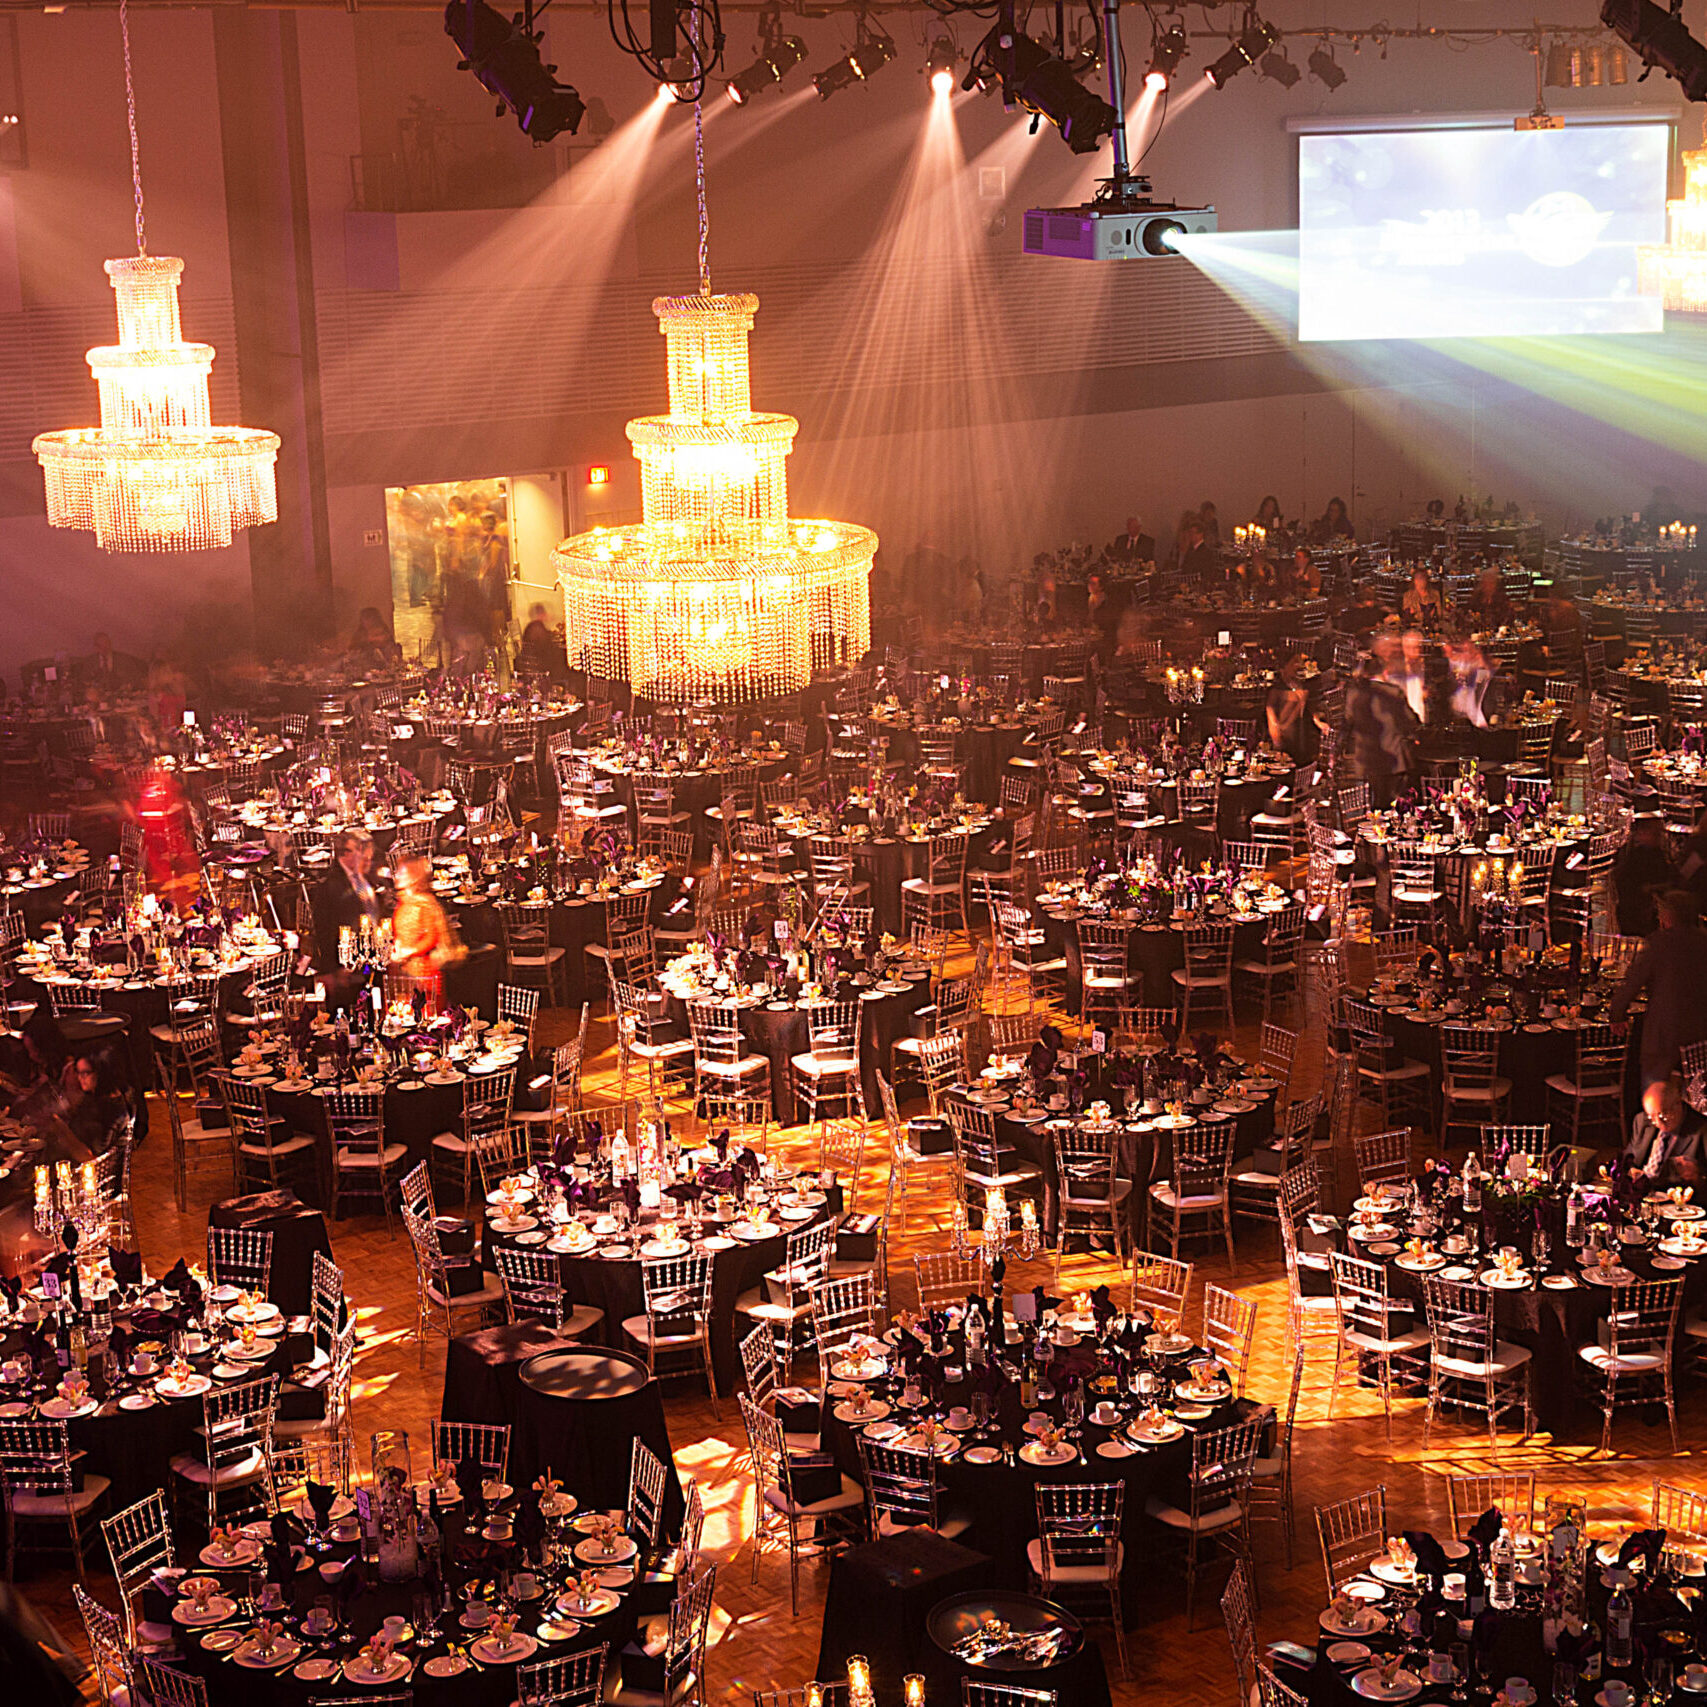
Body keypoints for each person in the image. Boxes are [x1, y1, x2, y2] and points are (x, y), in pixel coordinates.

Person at [1609, 889, 1707, 1088]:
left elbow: (1632, 983)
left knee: (1656, 1096)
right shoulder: (1703, 942)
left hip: (1663, 1035)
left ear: (1667, 917)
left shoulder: (1659, 944)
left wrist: (1616, 1014)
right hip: (1699, 1033)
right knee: (1695, 1097)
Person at [314, 831, 382, 995]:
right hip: (346, 968)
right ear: (345, 854)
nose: (368, 858)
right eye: (363, 852)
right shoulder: (329, 887)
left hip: (371, 961)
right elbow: (324, 930)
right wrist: (332, 969)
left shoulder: (366, 877)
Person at [391, 854, 459, 1011]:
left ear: (414, 877)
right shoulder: (404, 901)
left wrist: (410, 951)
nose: (397, 875)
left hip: (424, 972)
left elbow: (431, 937)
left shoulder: (425, 904)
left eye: (402, 872)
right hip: (403, 970)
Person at [1621, 1076, 1703, 1186]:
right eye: (1652, 1117)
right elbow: (1628, 1158)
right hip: (1640, 1192)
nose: (1659, 1123)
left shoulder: (1702, 1130)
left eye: (1663, 1114)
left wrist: (1697, 1178)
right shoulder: (1642, 1121)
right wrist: (1631, 1171)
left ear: (1678, 1103)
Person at [1612, 813, 1676, 938]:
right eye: (1657, 834)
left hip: (1636, 906)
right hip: (1640, 909)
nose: (1661, 837)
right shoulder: (1643, 857)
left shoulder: (1644, 854)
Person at [58, 1053, 129, 1153]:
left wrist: (61, 1130)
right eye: (78, 1072)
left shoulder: (110, 1108)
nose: (80, 1078)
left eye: (85, 1073)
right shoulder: (93, 1097)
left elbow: (90, 1156)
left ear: (101, 1073)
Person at [1265, 654, 1313, 763]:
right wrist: (1277, 730)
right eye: (1293, 663)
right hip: (1284, 734)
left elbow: (1307, 709)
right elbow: (1270, 710)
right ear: (1283, 668)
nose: (1297, 666)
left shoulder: (1300, 685)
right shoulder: (1277, 689)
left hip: (1299, 731)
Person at [78, 631, 144, 692]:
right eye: (100, 645)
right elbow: (84, 681)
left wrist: (128, 686)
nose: (105, 647)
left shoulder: (124, 659)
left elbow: (136, 677)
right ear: (95, 647)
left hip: (121, 696)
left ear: (110, 643)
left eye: (106, 643)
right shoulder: (89, 661)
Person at [517, 603, 560, 677]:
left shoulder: (532, 626)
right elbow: (545, 647)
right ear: (541, 614)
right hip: (536, 664)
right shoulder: (537, 628)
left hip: (531, 661)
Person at [1178, 519, 1218, 585]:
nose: (1191, 535)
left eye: (1193, 533)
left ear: (1200, 534)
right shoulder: (1191, 549)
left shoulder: (1205, 552)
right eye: (1190, 533)